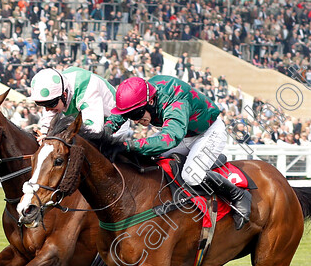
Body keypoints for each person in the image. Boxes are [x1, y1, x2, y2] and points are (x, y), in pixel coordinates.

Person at [104, 75, 251, 228]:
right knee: (141, 157)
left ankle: (238, 195)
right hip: (183, 132)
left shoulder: (175, 100)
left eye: (136, 115)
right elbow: (120, 113)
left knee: (191, 174)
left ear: (151, 101)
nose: (134, 121)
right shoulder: (142, 95)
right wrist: (104, 133)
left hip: (208, 132)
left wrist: (127, 146)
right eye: (130, 116)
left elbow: (169, 138)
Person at [29, 66, 125, 139]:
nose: (47, 109)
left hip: (115, 122)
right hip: (88, 120)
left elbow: (94, 130)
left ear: (64, 95)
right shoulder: (55, 92)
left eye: (51, 104)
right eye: (42, 105)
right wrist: (44, 135)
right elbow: (47, 123)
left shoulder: (87, 88)